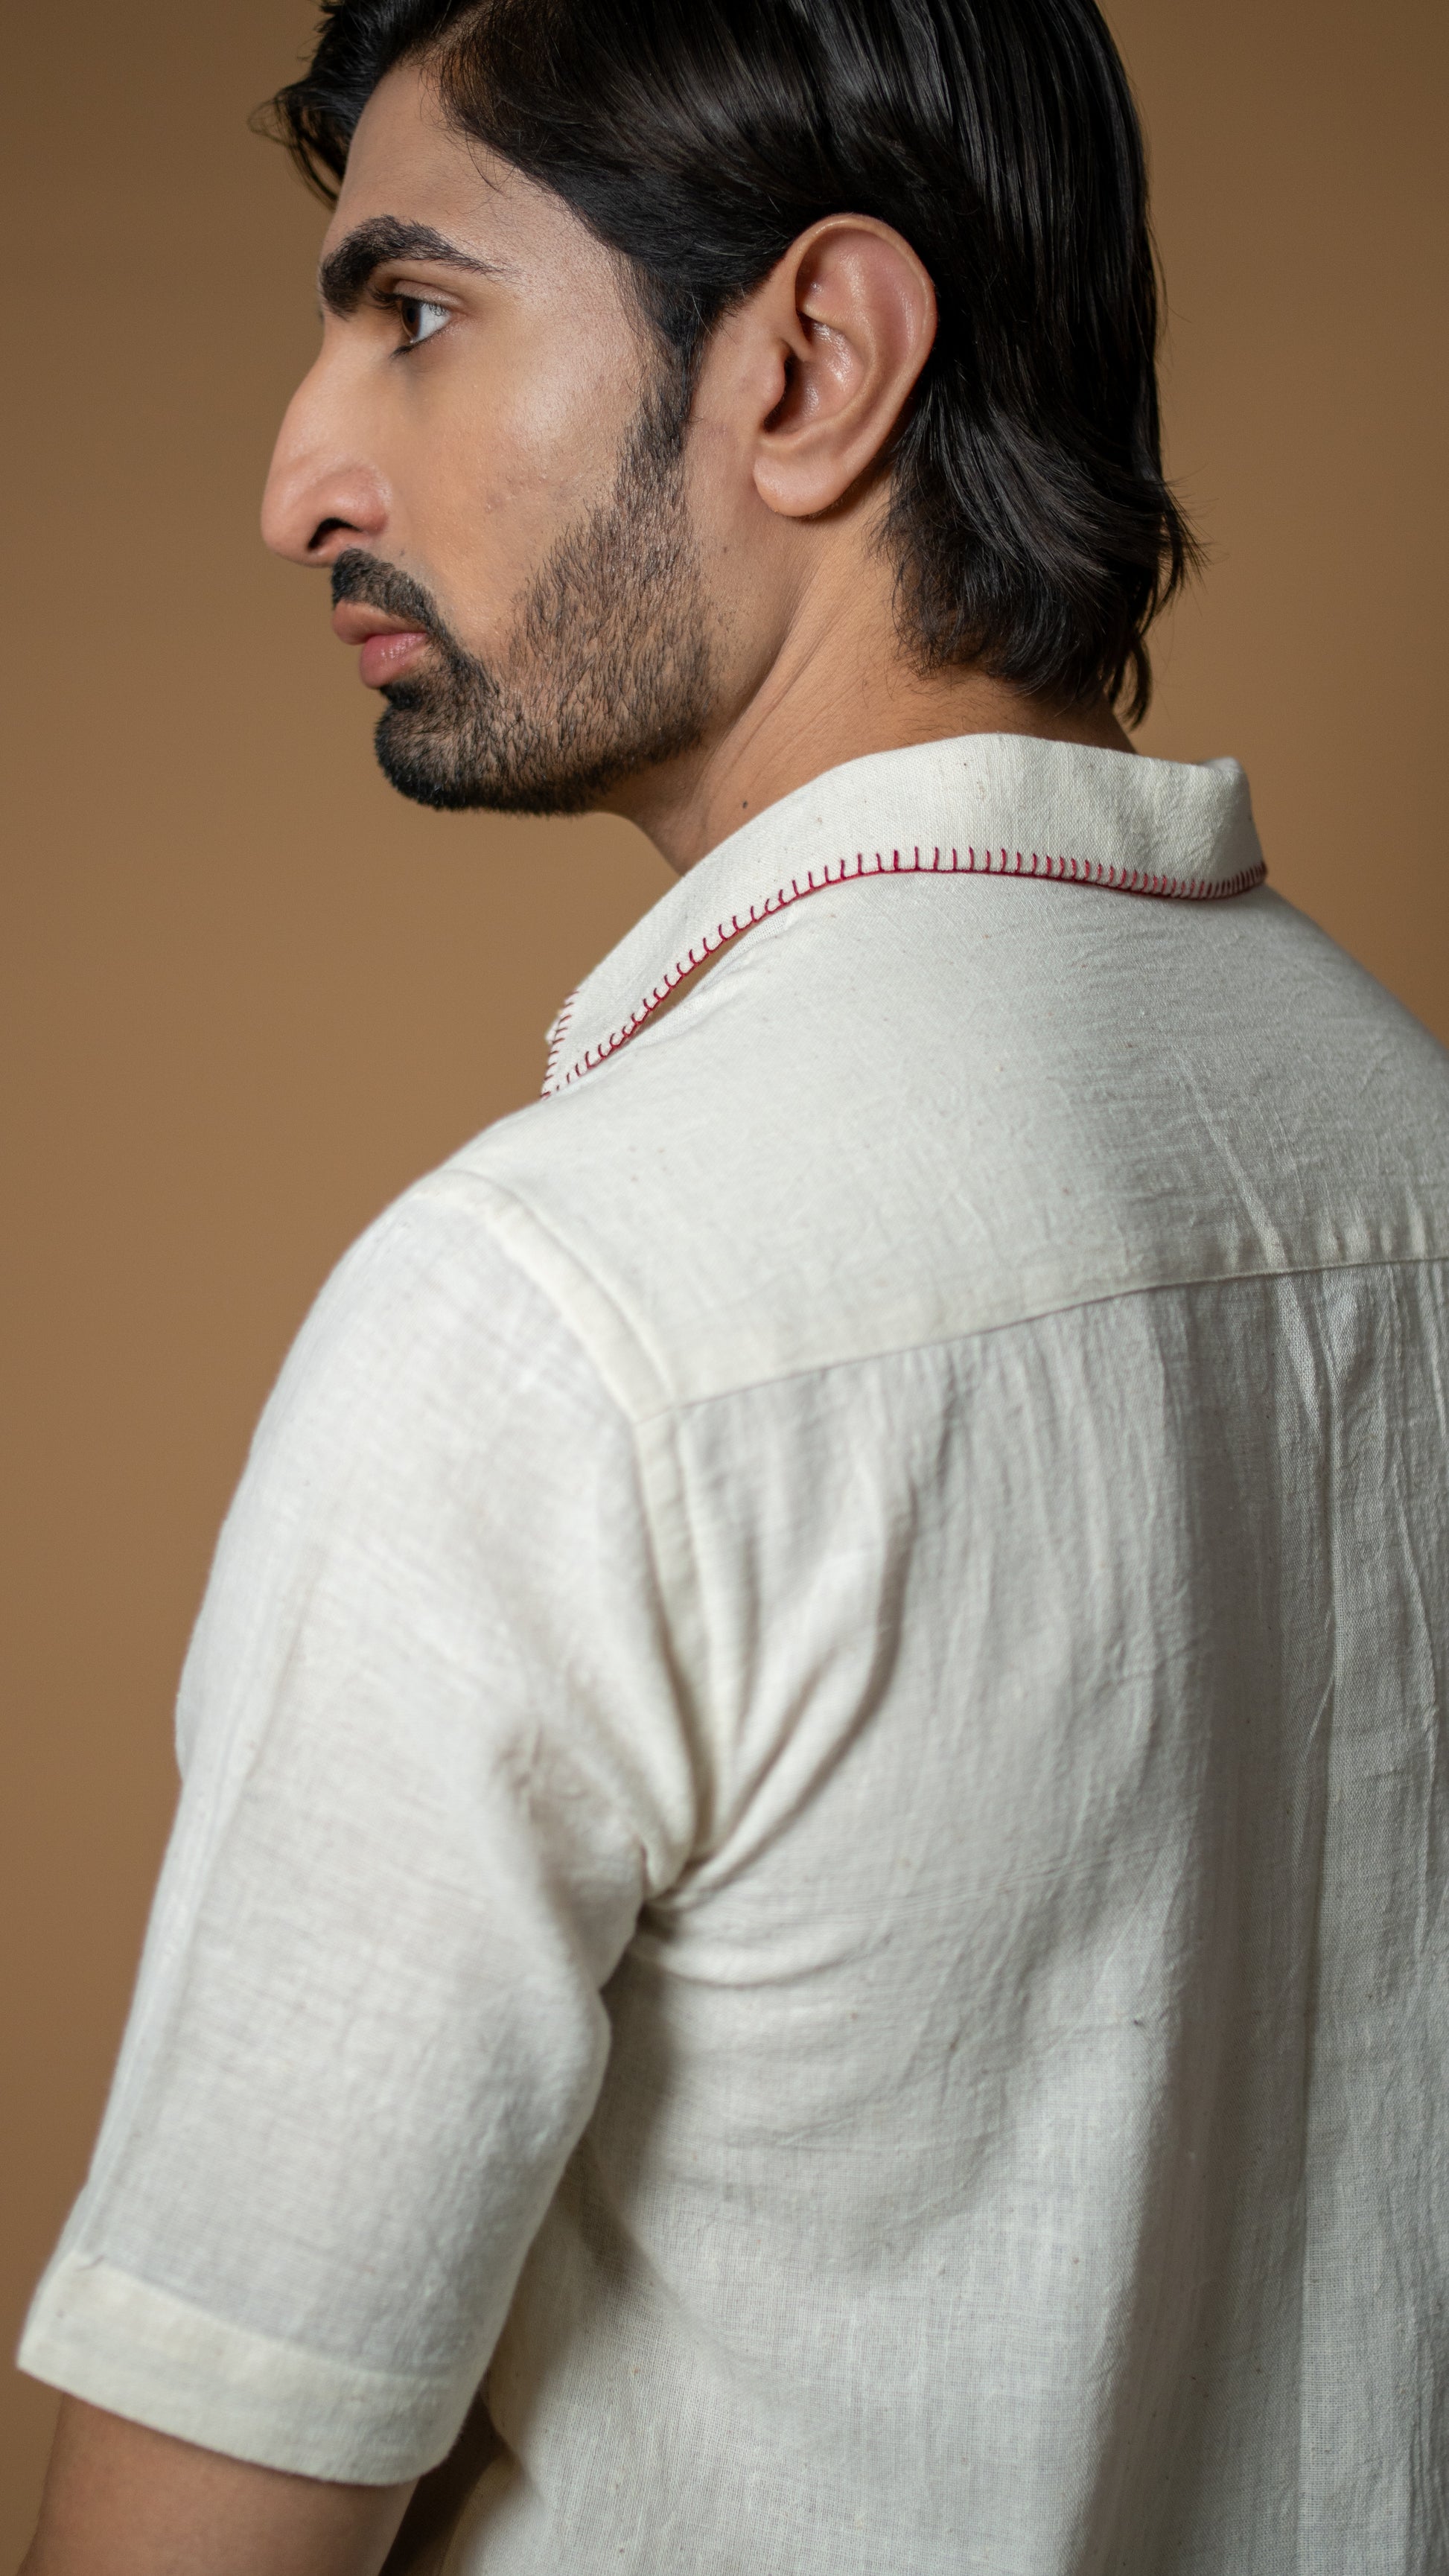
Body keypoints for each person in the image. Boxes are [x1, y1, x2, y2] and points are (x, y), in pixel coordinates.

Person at [18, 0, 1449, 2568]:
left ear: (811, 364)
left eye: (415, 311)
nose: (300, 473)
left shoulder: (550, 1325)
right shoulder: (1411, 1152)